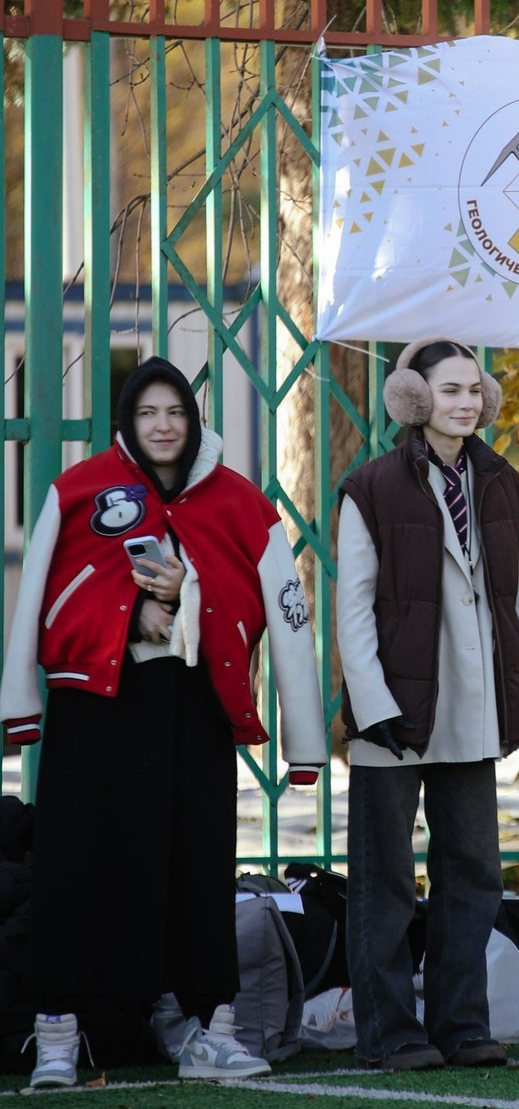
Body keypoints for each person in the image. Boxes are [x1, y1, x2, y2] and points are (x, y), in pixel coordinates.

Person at [0, 356, 327, 1089]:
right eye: (147, 413)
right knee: (75, 866)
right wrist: (119, 623)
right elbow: (46, 596)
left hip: (193, 712)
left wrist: (188, 597)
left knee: (198, 870)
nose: (162, 426)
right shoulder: (77, 491)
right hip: (96, 713)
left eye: (174, 412)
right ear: (127, 420)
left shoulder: (241, 503)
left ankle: (211, 1031)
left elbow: (284, 612)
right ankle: (57, 1033)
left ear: (193, 417)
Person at [337, 338, 519, 1072]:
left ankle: (462, 1027)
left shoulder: (502, 483)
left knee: (473, 870)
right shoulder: (370, 486)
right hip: (391, 719)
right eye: (449, 390)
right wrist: (371, 705)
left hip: (473, 709)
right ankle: (390, 1033)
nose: (464, 403)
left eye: (473, 390)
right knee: (385, 880)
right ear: (413, 398)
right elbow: (353, 607)